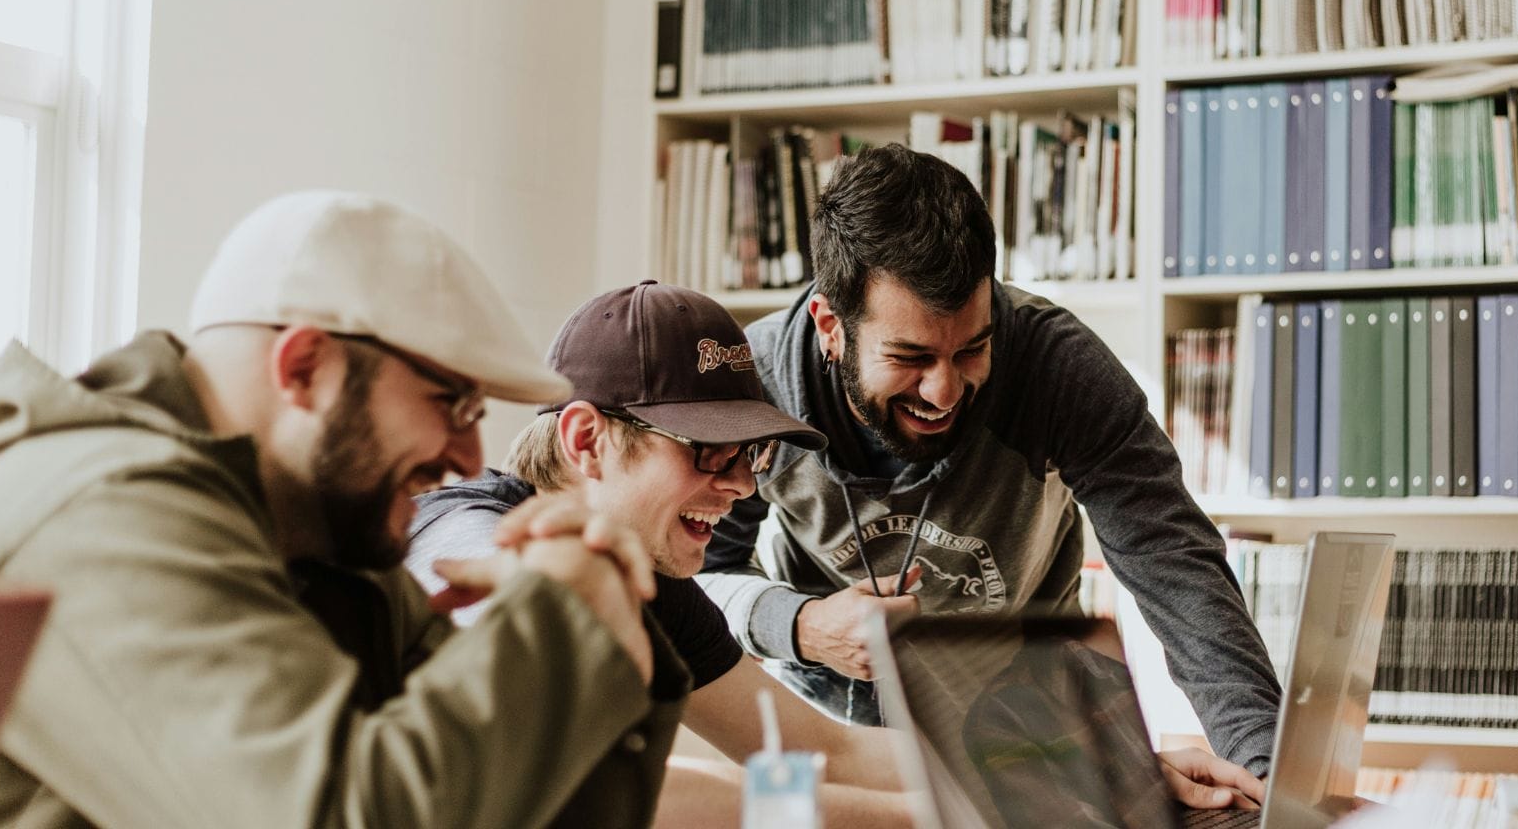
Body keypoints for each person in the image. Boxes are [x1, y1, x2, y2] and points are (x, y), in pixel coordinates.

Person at [405, 280, 1259, 827]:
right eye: (708, 452)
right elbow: (627, 795)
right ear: (588, 439)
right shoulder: (468, 535)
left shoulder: (652, 578)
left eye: (752, 456)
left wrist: (1099, 772)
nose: (741, 488)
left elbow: (822, 750)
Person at [0, 192, 686, 829]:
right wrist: (562, 618)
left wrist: (610, 625)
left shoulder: (318, 531)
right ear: (304, 367)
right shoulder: (107, 517)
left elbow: (512, 808)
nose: (470, 457)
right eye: (452, 403)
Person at [697, 144, 1284, 786]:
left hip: (1025, 719)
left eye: (972, 349)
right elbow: (694, 580)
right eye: (910, 358)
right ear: (831, 326)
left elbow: (1178, 568)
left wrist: (1267, 778)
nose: (944, 391)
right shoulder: (755, 387)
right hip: (827, 731)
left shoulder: (1058, 368)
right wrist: (800, 625)